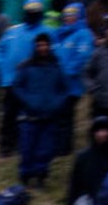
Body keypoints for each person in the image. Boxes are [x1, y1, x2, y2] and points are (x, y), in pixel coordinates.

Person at [13, 32, 72, 186]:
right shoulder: (26, 66)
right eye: (40, 45)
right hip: (29, 116)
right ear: (35, 47)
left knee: (45, 149)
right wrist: (28, 101)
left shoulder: (56, 67)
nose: (43, 48)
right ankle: (25, 175)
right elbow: (17, 86)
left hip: (49, 117)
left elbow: (65, 89)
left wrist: (56, 104)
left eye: (45, 45)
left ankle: (41, 176)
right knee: (27, 148)